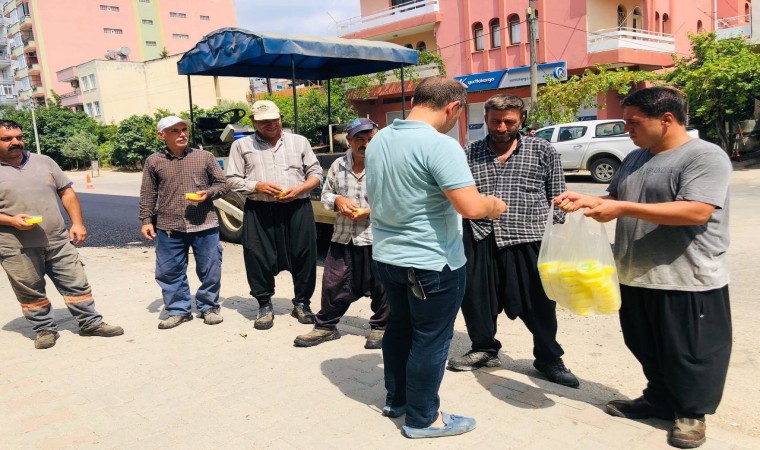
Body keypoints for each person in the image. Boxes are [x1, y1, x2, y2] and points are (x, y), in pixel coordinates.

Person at [554, 86, 732, 449]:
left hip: (687, 277)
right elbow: (618, 198)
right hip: (635, 273)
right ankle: (659, 399)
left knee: (690, 352)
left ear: (667, 120)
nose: (627, 129)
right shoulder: (636, 158)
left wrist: (621, 210)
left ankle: (691, 413)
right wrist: (589, 199)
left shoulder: (703, 156)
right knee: (646, 344)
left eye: (633, 123)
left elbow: (696, 210)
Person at [366, 77, 507, 439]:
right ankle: (424, 418)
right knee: (431, 339)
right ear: (453, 108)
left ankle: (396, 400)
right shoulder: (440, 145)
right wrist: (494, 204)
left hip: (388, 256)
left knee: (399, 328)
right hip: (430, 262)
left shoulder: (380, 138)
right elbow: (472, 207)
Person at [446, 95, 579, 388]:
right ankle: (484, 348)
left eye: (509, 121)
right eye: (496, 121)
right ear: (487, 119)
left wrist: (555, 238)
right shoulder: (470, 153)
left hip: (529, 238)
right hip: (481, 236)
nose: (502, 127)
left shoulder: (543, 150)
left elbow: (557, 196)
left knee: (540, 304)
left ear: (521, 120)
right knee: (477, 299)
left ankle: (548, 358)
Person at [0, 120, 123, 349]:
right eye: (7, 139)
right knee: (29, 289)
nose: (15, 142)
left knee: (76, 283)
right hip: (15, 245)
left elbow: (66, 191)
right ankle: (44, 329)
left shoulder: (43, 162)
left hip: (57, 239)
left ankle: (90, 323)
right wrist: (11, 221)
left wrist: (77, 223)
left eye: (18, 137)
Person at [226, 100, 322, 330]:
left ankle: (302, 304)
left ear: (280, 117)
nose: (270, 124)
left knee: (304, 256)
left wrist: (300, 189)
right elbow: (231, 179)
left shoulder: (299, 142)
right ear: (254, 123)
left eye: (274, 119)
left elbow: (315, 172)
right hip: (260, 210)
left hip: (297, 208)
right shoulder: (241, 146)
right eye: (263, 121)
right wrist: (256, 186)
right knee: (257, 257)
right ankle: (264, 305)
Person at [294, 118, 389, 349]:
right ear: (349, 141)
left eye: (371, 139)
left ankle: (381, 328)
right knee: (333, 283)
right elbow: (325, 195)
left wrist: (372, 211)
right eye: (360, 139)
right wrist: (338, 200)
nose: (366, 143)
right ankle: (326, 326)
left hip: (378, 238)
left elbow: (397, 200)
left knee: (382, 286)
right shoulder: (338, 165)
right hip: (343, 236)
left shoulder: (388, 164)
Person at [139, 115, 229, 329]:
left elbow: (223, 184)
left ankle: (209, 307)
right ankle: (179, 310)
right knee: (169, 270)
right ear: (162, 135)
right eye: (175, 131)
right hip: (169, 226)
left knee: (210, 268)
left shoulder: (204, 156)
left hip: (204, 223)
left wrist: (208, 193)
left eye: (184, 130)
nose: (182, 134)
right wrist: (145, 220)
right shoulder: (153, 161)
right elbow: (148, 193)